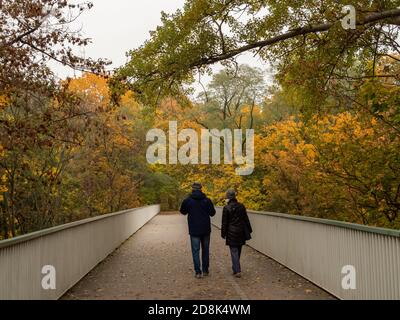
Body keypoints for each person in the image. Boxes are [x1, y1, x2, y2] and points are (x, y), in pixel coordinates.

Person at [180, 183, 216, 279]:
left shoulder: (188, 201)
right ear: (201, 189)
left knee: (195, 251)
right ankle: (205, 270)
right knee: (205, 250)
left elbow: (183, 212)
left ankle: (197, 272)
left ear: (192, 189)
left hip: (194, 229)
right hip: (205, 229)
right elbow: (212, 213)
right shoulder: (207, 200)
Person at [221, 189, 252, 278]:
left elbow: (224, 222)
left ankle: (237, 270)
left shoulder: (226, 208)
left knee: (234, 251)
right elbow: (246, 219)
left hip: (231, 232)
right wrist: (249, 230)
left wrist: (223, 233)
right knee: (238, 250)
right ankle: (235, 267)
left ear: (228, 197)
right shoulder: (241, 206)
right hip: (241, 231)